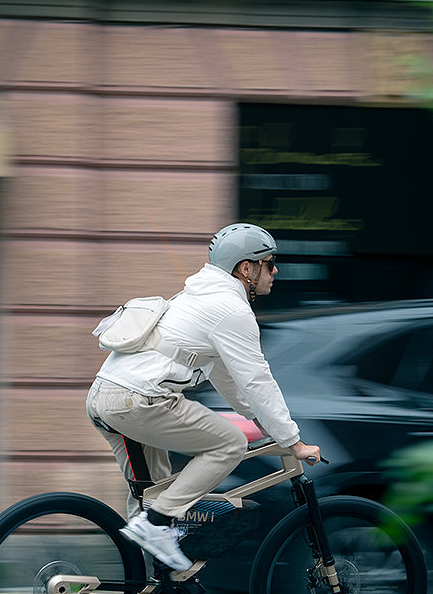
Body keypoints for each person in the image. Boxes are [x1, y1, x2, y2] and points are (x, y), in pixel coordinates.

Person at [86, 222, 322, 574]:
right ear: (246, 268)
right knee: (229, 443)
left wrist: (258, 418)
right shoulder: (231, 309)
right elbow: (258, 380)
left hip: (106, 398)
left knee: (154, 492)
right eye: (269, 263)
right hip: (140, 400)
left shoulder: (197, 297)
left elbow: (223, 374)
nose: (275, 271)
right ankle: (156, 524)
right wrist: (293, 440)